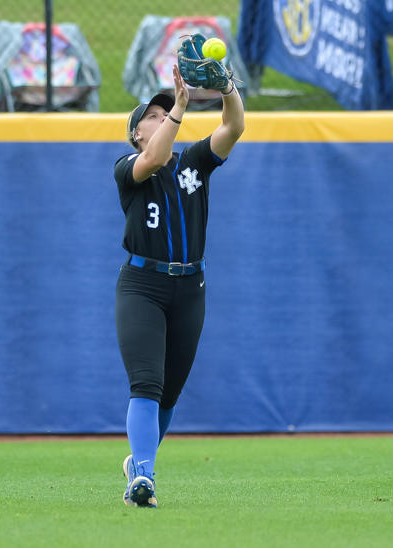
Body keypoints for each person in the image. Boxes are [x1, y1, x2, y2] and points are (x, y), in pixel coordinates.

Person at [113, 63, 245, 508]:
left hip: (190, 288)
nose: (161, 117)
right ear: (136, 134)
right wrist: (180, 110)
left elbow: (234, 125)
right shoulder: (129, 166)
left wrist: (227, 88)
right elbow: (152, 158)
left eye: (164, 113)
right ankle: (143, 479)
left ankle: (138, 464)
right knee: (146, 383)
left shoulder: (193, 164)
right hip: (142, 286)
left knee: (168, 393)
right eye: (151, 116)